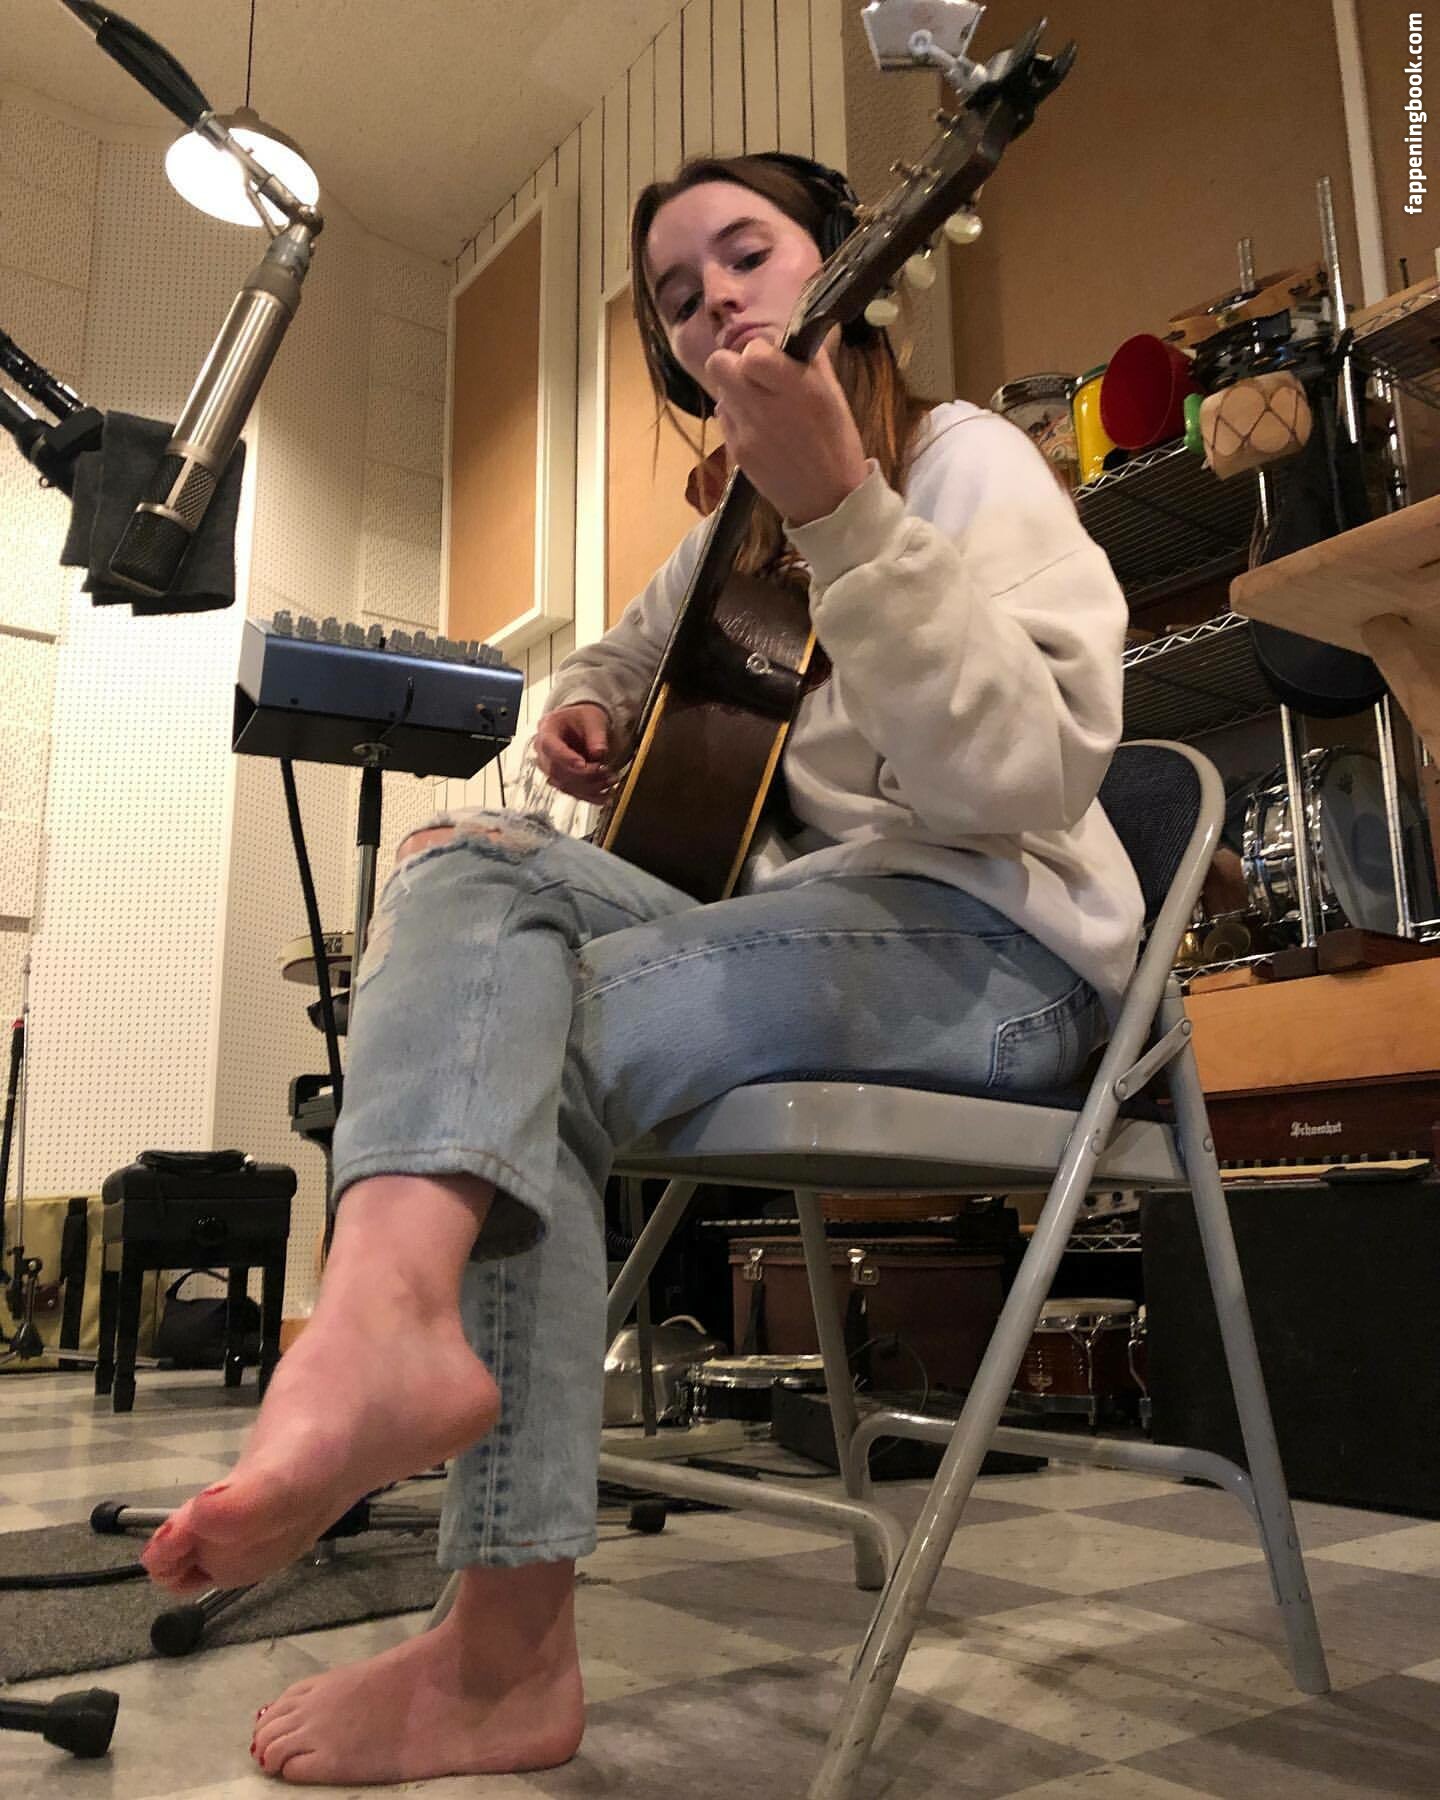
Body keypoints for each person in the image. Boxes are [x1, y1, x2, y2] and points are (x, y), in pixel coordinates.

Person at [142, 152, 1143, 1786]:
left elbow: (1020, 781)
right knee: (466, 855)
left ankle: (501, 1646)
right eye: (677, 296)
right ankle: (387, 1322)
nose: (713, 302)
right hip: (816, 925)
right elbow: (624, 647)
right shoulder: (736, 526)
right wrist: (591, 704)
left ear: (846, 266)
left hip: (1003, 947)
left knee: (534, 1043)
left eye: (745, 254)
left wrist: (847, 512)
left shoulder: (964, 461)